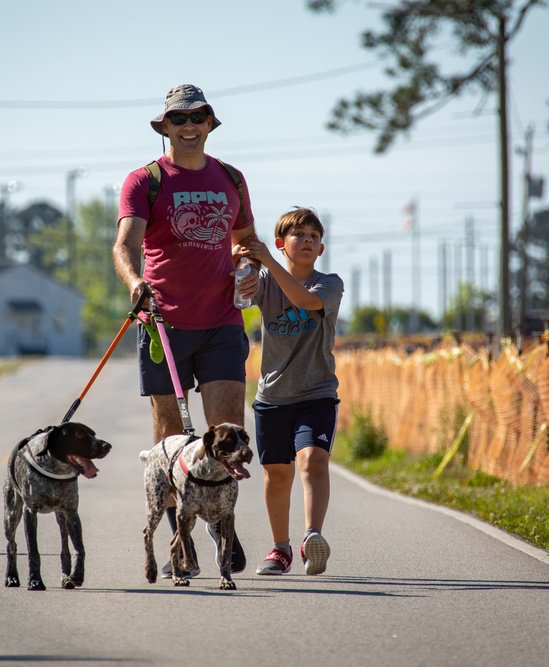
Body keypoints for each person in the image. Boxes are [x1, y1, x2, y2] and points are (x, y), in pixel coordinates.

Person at [113, 83, 259, 578]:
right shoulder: (144, 180)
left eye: (199, 116)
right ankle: (183, 544)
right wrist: (135, 283)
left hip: (221, 322)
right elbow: (125, 244)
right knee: (173, 441)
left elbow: (245, 241)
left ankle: (223, 531)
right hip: (164, 324)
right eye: (179, 119)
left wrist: (248, 268)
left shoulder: (231, 178)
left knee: (225, 439)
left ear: (210, 124)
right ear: (165, 127)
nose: (189, 125)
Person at [235, 207, 343, 576]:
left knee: (313, 460)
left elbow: (304, 301)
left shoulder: (329, 284)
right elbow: (239, 294)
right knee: (277, 475)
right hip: (272, 398)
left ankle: (313, 538)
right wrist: (239, 266)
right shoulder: (263, 281)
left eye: (314, 236)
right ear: (282, 244)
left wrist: (267, 260)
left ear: (322, 248)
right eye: (299, 235)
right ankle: (279, 549)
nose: (308, 241)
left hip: (316, 394)